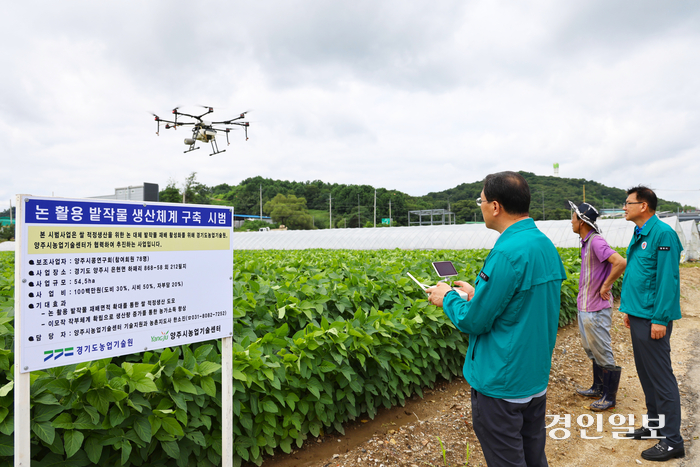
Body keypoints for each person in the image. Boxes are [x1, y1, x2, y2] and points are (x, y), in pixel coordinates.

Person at [427, 171, 566, 467]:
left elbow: (474, 322)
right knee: (532, 455)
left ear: (495, 206)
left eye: (481, 200)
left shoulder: (507, 252)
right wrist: (479, 294)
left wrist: (447, 297)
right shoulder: (543, 245)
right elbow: (522, 302)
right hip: (533, 376)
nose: (480, 205)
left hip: (502, 381)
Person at [620, 186, 685, 462]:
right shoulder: (640, 233)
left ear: (643, 205)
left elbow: (667, 280)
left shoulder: (663, 234)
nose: (624, 207)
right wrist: (629, 310)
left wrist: (660, 318)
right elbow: (639, 275)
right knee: (647, 375)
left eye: (628, 203)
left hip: (652, 318)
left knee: (661, 378)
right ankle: (654, 426)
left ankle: (672, 440)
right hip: (638, 314)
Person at [568, 201, 626, 411]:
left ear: (582, 221)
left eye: (573, 217)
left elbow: (620, 262)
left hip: (596, 308)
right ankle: (598, 387)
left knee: (602, 350)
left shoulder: (595, 242)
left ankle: (609, 398)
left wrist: (606, 284)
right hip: (586, 306)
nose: (571, 222)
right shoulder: (586, 242)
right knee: (592, 349)